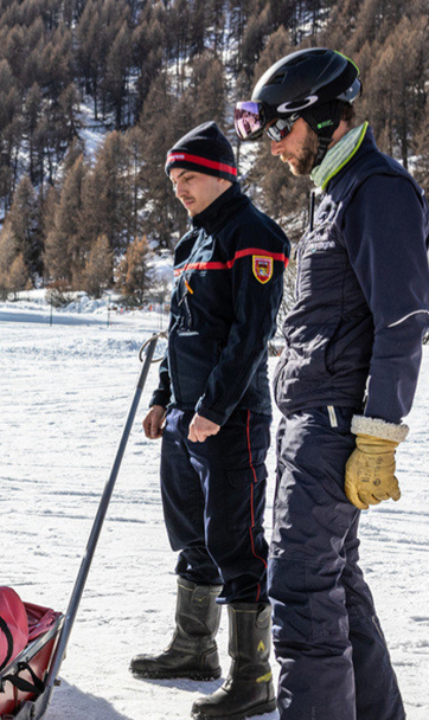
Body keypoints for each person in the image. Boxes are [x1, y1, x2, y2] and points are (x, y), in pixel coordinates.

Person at [235, 47, 429, 720]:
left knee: (303, 595)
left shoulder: (377, 190)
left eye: (280, 131)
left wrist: (379, 436)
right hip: (309, 424)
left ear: (318, 117)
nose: (274, 150)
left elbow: (402, 323)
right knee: (334, 586)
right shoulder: (336, 194)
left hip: (333, 427)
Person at [132, 122, 289, 720]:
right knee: (192, 535)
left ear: (223, 174)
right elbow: (181, 335)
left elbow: (251, 336)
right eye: (174, 180)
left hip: (230, 420)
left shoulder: (253, 236)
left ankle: (253, 677)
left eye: (189, 178)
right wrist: (163, 398)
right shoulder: (189, 245)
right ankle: (193, 648)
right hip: (183, 420)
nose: (180, 190)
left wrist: (214, 410)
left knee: (236, 541)